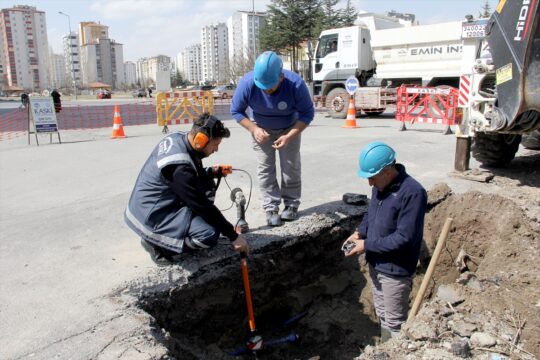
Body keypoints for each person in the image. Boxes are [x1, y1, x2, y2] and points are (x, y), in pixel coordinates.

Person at [124, 113, 249, 266]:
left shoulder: (180, 139)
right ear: (200, 140)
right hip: (152, 215)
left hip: (155, 203)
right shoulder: (179, 167)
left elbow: (191, 175)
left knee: (206, 185)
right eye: (215, 144)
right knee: (208, 235)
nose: (216, 150)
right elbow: (202, 204)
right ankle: (159, 246)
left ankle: (175, 233)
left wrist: (210, 172)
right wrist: (232, 236)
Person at [343, 141, 427, 342]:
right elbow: (372, 214)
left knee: (395, 321)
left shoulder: (413, 193)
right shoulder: (381, 185)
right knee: (382, 312)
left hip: (395, 271)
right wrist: (359, 233)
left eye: (372, 178)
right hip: (376, 263)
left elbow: (404, 238)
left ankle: (395, 351)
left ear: (388, 172)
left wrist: (366, 245)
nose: (370, 183)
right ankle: (385, 349)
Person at [231, 51, 315, 226]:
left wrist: (289, 135)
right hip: (260, 129)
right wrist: (254, 129)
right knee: (265, 169)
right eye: (262, 86)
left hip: (289, 128)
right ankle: (271, 208)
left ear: (281, 77)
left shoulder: (296, 85)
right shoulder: (247, 83)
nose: (266, 90)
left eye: (270, 86)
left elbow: (307, 114)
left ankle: (291, 205)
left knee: (290, 167)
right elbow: (236, 111)